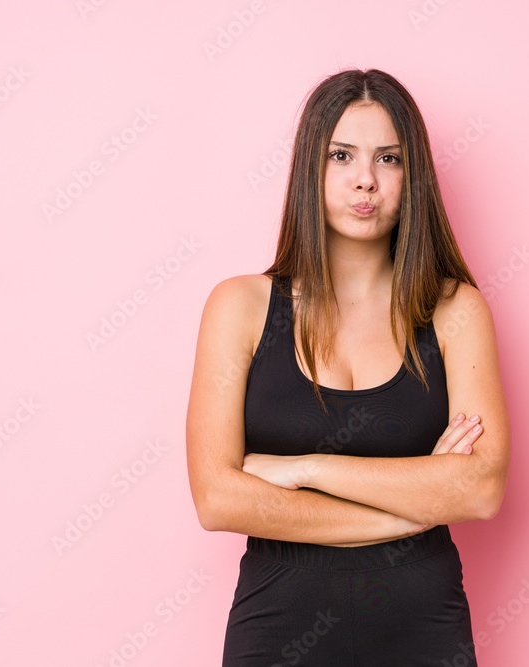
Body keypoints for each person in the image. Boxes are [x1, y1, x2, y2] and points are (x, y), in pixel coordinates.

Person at [185, 67, 510, 666]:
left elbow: (481, 488)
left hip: (423, 633)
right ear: (310, 167)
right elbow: (218, 499)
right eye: (342, 156)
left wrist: (304, 467)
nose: (366, 180)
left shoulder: (455, 309)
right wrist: (419, 500)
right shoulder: (239, 307)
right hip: (276, 634)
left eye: (389, 159)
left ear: (414, 177)